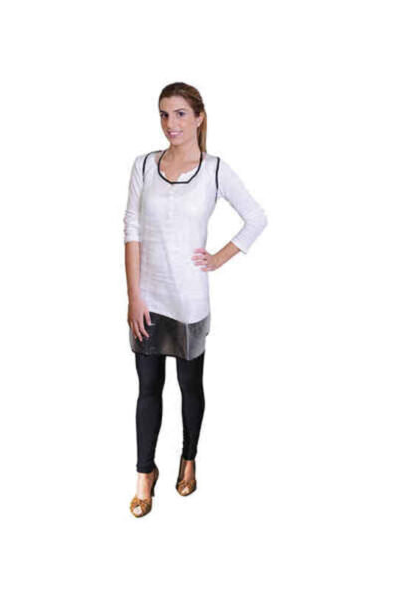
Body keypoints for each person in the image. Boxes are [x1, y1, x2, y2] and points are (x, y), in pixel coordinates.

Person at [124, 82, 268, 517]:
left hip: (189, 300)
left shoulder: (215, 170)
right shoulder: (144, 165)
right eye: (164, 114)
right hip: (148, 297)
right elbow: (132, 228)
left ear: (199, 117)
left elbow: (256, 217)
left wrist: (220, 258)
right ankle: (144, 473)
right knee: (148, 388)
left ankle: (188, 457)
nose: (171, 124)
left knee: (189, 386)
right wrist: (134, 296)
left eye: (181, 114)